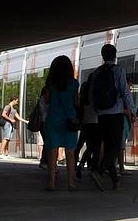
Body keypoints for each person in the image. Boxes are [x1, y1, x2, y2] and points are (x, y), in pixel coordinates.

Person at [91, 44, 136, 191]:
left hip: (102, 114)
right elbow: (125, 91)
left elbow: (92, 94)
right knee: (115, 146)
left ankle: (115, 180)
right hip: (116, 113)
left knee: (109, 146)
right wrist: (133, 109)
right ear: (115, 55)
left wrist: (97, 110)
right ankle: (99, 171)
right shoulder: (119, 70)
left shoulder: (97, 72)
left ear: (102, 56)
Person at [42, 55, 80, 191]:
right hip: (70, 121)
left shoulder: (50, 85)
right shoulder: (74, 84)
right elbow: (76, 102)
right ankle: (71, 183)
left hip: (53, 120)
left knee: (52, 153)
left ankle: (51, 183)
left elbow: (46, 101)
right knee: (70, 154)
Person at [76, 73, 101, 179]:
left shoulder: (84, 93)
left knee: (82, 145)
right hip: (95, 123)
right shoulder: (95, 92)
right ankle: (90, 166)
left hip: (85, 123)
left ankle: (80, 164)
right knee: (94, 148)